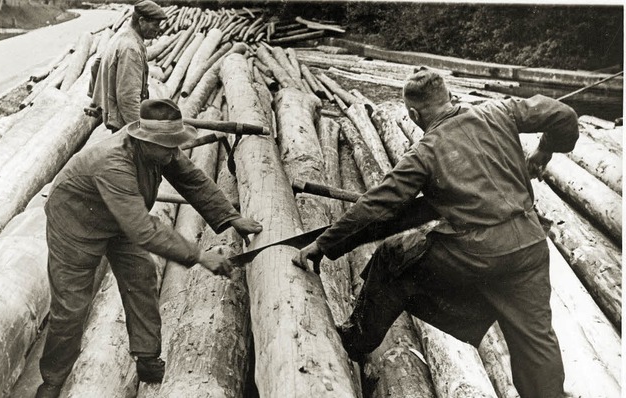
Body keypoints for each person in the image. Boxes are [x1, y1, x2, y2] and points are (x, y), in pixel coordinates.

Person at [293, 66, 579, 398]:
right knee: (536, 340)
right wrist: (546, 150)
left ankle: (356, 340)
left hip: (480, 252)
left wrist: (323, 244)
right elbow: (564, 114)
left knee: (392, 257)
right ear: (449, 97)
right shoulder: (499, 110)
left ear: (413, 113)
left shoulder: (424, 153)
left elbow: (375, 206)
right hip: (530, 245)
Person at [36, 99, 262, 398]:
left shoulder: (161, 150)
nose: (174, 152)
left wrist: (231, 217)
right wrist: (199, 256)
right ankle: (52, 381)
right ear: (143, 140)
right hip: (77, 223)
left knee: (142, 278)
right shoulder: (113, 162)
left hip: (121, 219)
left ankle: (147, 358)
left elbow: (192, 179)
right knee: (71, 307)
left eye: (174, 145)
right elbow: (142, 229)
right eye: (168, 146)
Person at [86, 0, 166, 132]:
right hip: (125, 123)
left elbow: (96, 64)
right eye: (155, 24)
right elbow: (128, 99)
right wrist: (141, 133)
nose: (158, 29)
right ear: (141, 21)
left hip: (122, 118)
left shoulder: (121, 35)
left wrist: (96, 100)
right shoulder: (131, 48)